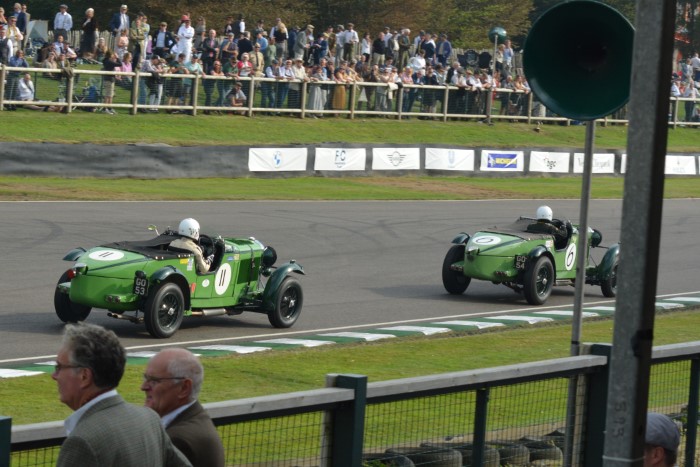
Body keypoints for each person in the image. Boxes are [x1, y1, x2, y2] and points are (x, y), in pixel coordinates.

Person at [53, 323, 191, 467]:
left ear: (84, 376)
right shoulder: (149, 419)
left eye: (59, 367)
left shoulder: (82, 441)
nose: (54, 376)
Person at [141, 348, 225, 467]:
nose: (143, 387)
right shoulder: (195, 418)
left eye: (154, 381)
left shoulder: (177, 441)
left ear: (184, 388)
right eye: (145, 378)